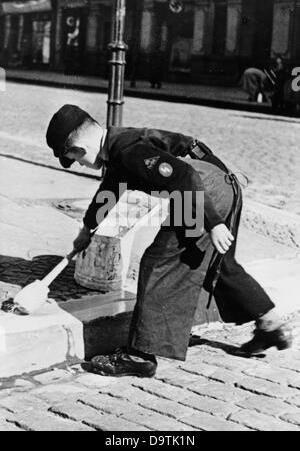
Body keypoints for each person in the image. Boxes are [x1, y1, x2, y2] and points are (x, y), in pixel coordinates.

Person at [46, 105, 292, 377]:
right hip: (217, 185)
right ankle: (270, 326)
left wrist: (213, 222)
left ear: (79, 148)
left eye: (75, 159)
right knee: (218, 265)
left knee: (158, 263)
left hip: (199, 192)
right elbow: (110, 192)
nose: (80, 164)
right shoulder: (119, 146)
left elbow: (185, 176)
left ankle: (139, 356)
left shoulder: (127, 152)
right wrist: (87, 230)